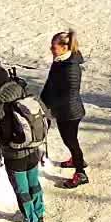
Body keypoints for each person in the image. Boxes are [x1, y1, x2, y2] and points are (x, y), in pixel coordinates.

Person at [0, 66, 49, 222]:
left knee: (22, 191)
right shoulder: (24, 91)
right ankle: (39, 214)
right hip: (34, 148)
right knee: (34, 183)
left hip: (13, 155)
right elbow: (45, 115)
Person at [41, 30, 87, 188]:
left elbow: (69, 94)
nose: (51, 50)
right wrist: (43, 100)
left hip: (70, 112)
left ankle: (80, 172)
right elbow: (51, 82)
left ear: (65, 47)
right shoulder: (60, 61)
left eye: (54, 47)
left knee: (71, 141)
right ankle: (76, 160)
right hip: (64, 110)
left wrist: (51, 108)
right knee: (70, 140)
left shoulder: (71, 68)